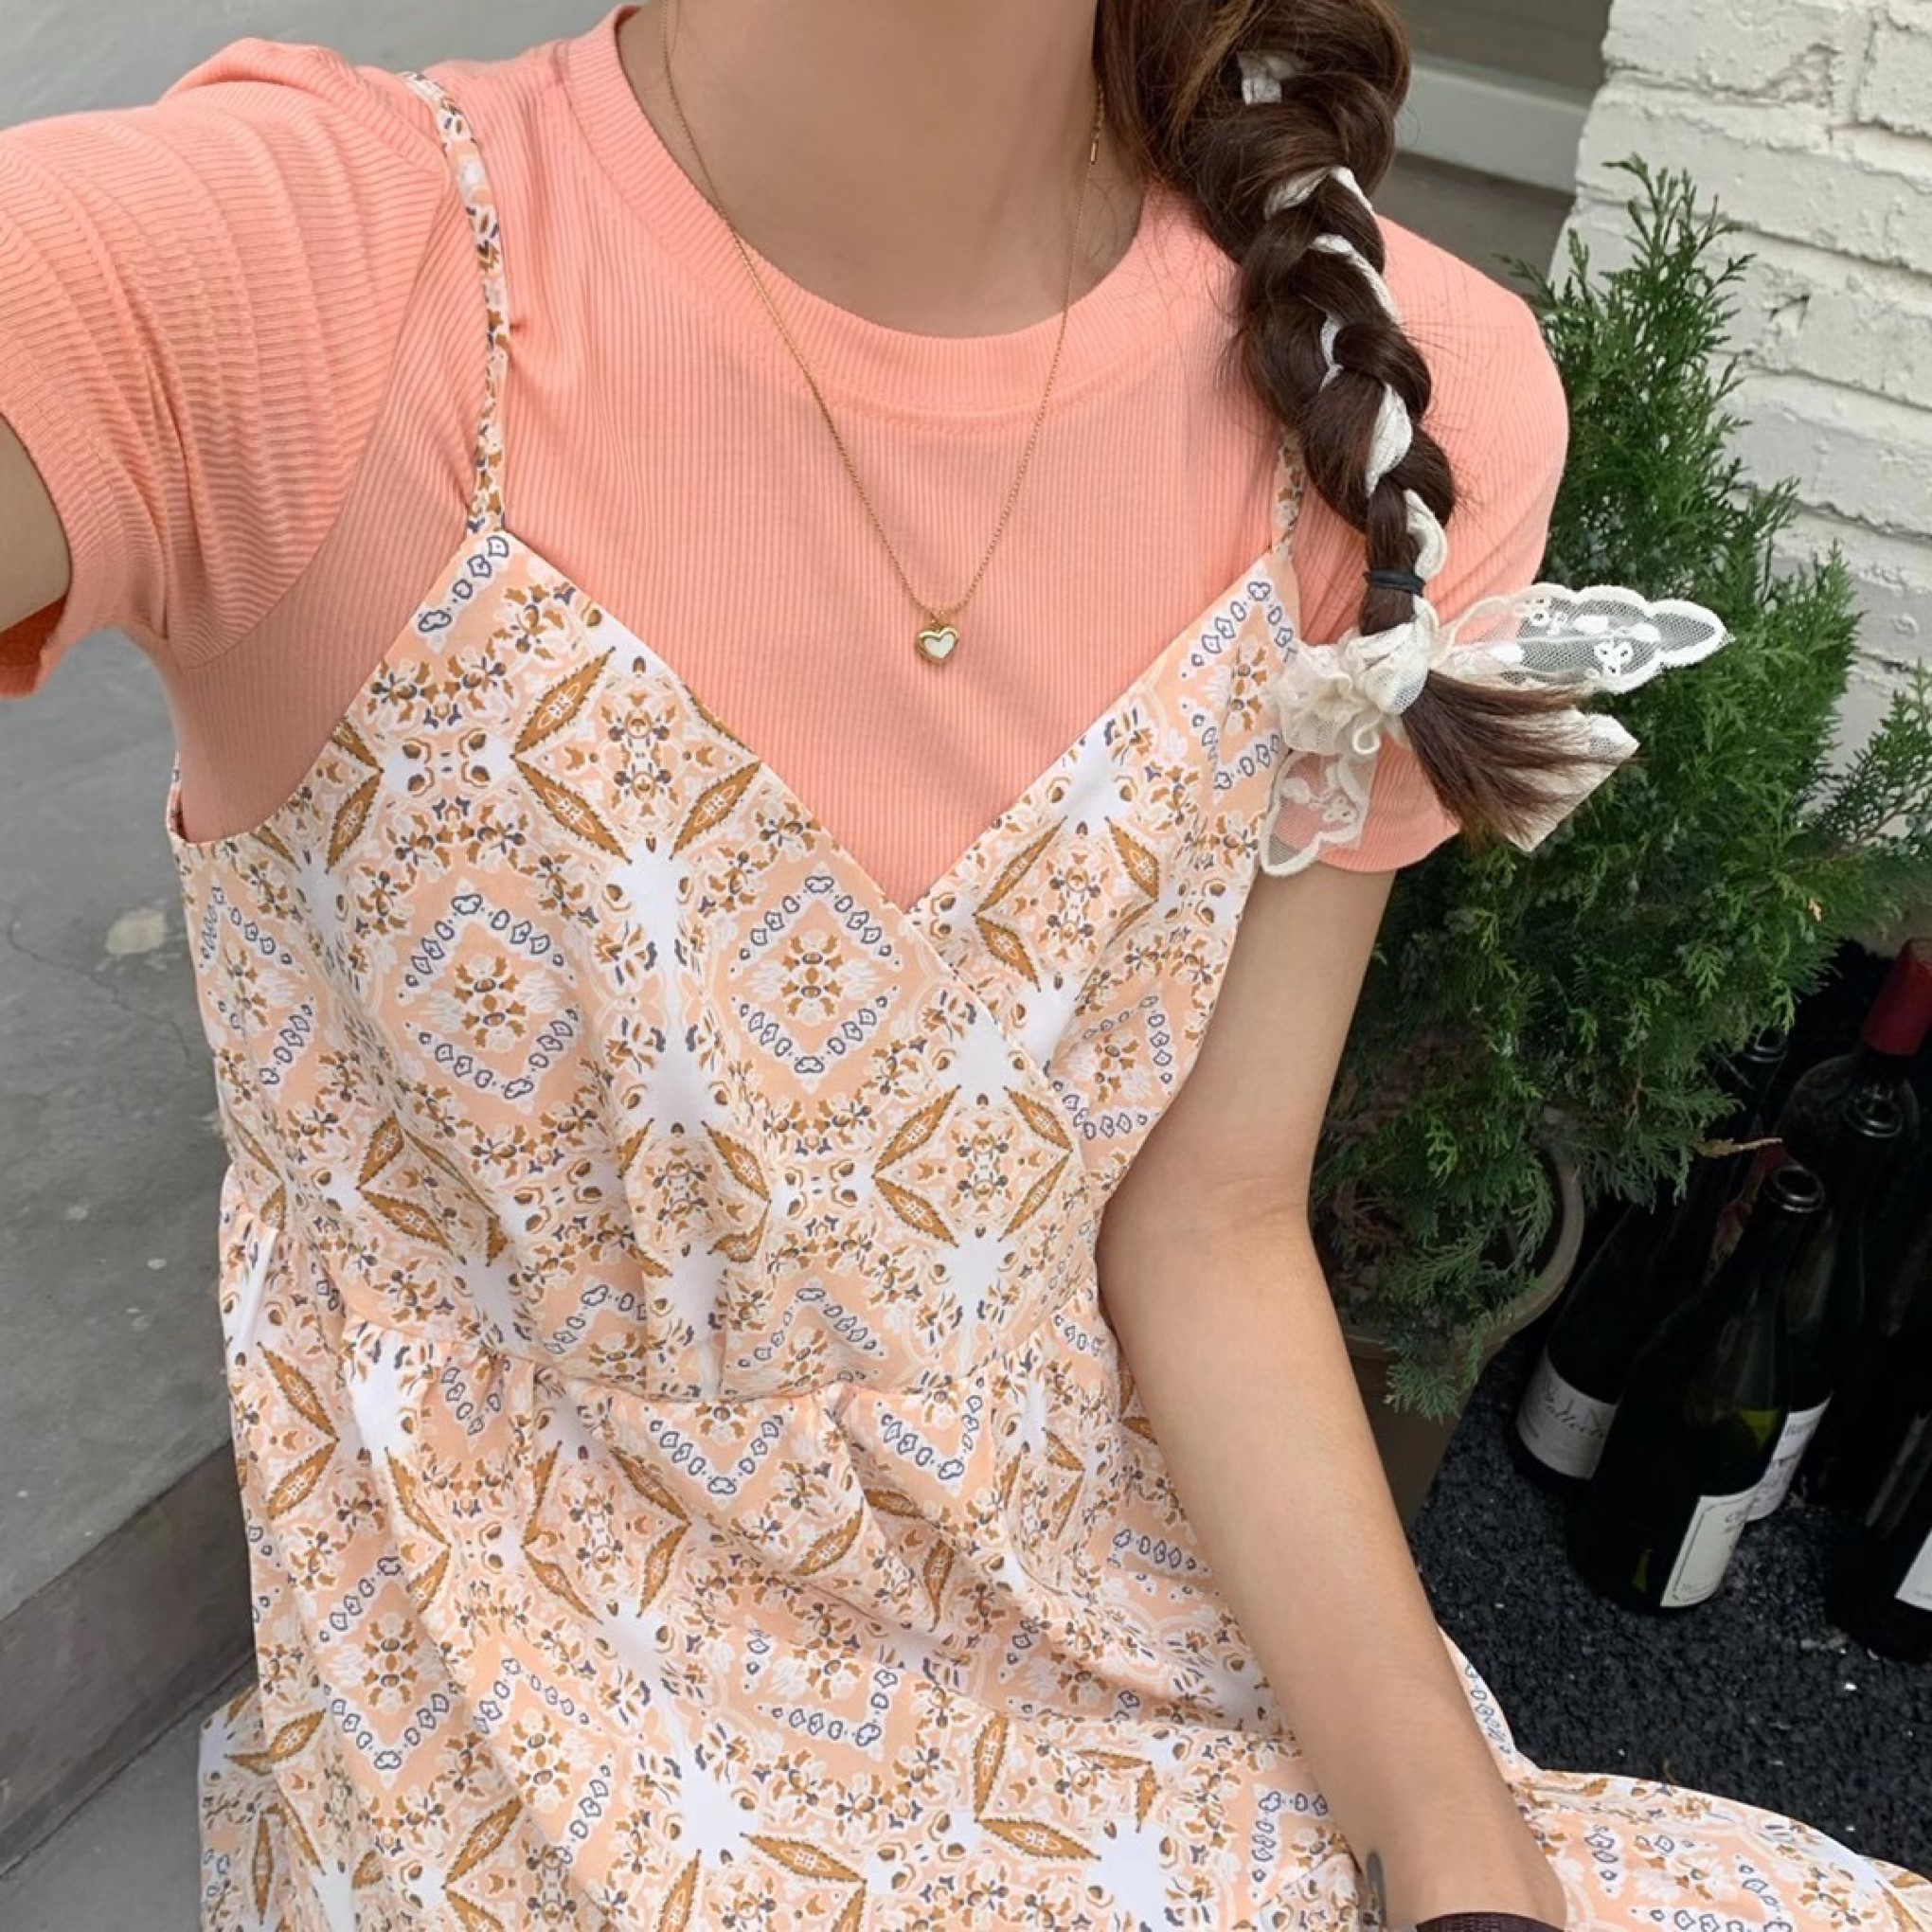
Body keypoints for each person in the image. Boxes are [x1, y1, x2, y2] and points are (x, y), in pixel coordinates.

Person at [0, 3, 1923, 1927]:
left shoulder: (1402, 403)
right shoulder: (286, 276)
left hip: (1089, 1632)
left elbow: (1212, 1221)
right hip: (515, 1703)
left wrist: (1453, 1847)